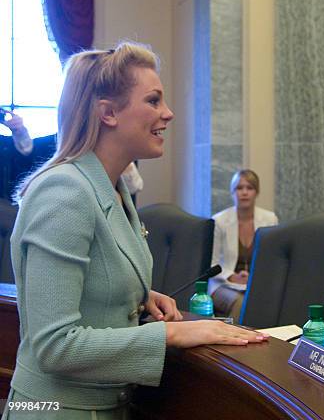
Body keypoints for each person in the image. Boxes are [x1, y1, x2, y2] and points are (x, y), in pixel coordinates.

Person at [2, 42, 267, 420]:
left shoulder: (113, 186)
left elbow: (96, 274)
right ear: (108, 112)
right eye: (154, 101)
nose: (169, 113)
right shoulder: (63, 191)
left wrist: (139, 295)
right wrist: (172, 334)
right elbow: (54, 346)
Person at [1, 111, 143, 196]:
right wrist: (20, 131)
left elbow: (135, 186)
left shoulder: (114, 146)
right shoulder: (55, 143)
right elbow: (29, 153)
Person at [209, 169, 278, 320]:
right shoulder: (219, 221)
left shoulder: (270, 219)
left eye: (250, 188)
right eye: (239, 188)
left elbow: (273, 261)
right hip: (223, 284)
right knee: (241, 303)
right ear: (232, 192)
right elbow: (211, 264)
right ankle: (235, 340)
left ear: (257, 192)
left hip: (255, 283)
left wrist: (254, 277)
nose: (244, 192)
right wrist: (232, 276)